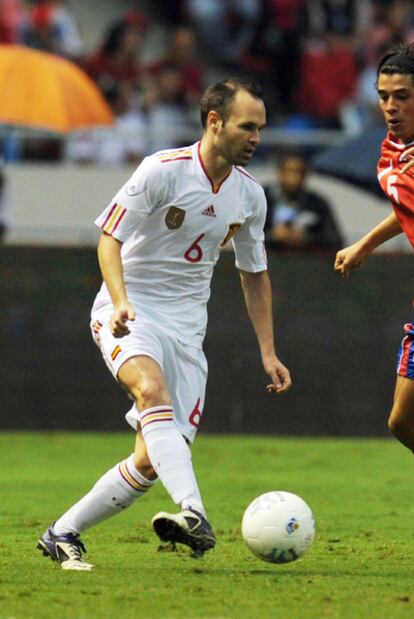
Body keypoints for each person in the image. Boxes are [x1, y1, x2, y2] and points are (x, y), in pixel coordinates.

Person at [37, 78, 292, 570]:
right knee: (150, 391)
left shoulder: (251, 197)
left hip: (187, 334)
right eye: (247, 126)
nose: (256, 137)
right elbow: (109, 240)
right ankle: (194, 512)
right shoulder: (161, 170)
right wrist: (119, 301)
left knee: (151, 460)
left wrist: (268, 351)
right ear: (214, 122)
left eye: (260, 127)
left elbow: (254, 274)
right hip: (130, 312)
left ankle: (61, 532)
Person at [335, 43, 414, 454]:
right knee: (402, 421)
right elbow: (405, 209)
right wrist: (365, 244)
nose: (390, 106)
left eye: (402, 96)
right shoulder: (389, 152)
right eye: (384, 96)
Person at [264, 152, 343, 250]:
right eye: (290, 171)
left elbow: (335, 241)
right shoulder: (262, 199)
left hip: (305, 261)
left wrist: (307, 238)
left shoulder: (317, 204)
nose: (295, 178)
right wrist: (272, 236)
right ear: (280, 173)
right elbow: (245, 236)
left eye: (300, 172)